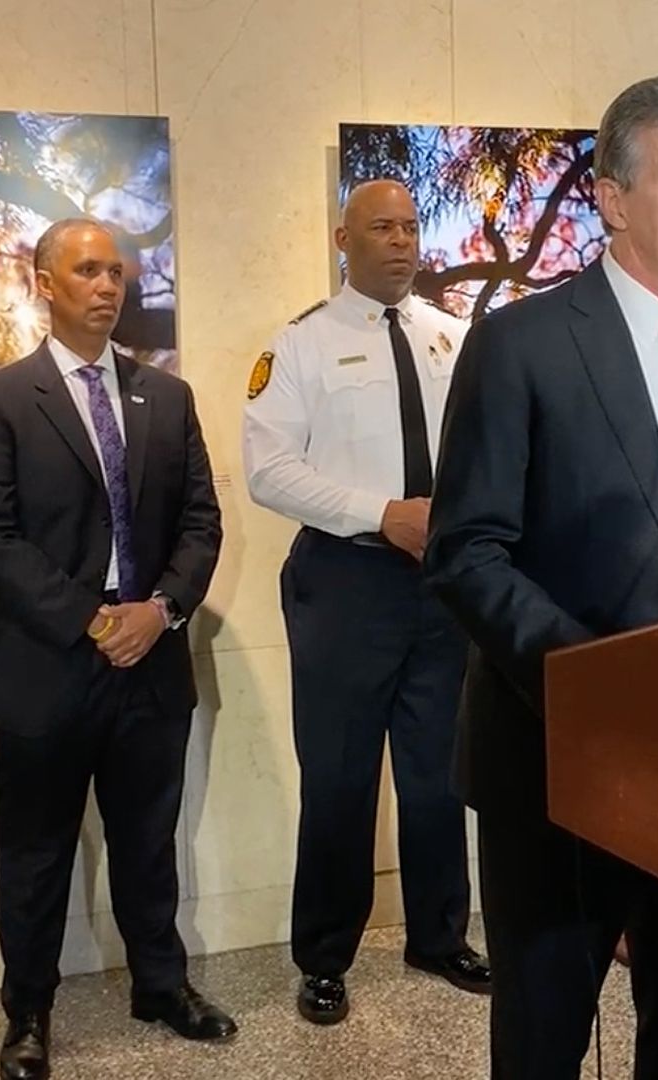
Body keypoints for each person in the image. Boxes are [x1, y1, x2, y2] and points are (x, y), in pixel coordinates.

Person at [425, 73, 658, 1079]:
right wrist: (602, 688)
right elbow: (466, 551)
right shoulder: (521, 344)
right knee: (544, 1042)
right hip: (558, 758)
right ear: (612, 196)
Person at [0, 218, 230, 1080]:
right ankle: (29, 1014)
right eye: (86, 271)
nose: (107, 286)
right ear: (45, 283)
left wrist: (162, 609)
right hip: (47, 662)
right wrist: (92, 620)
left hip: (151, 657)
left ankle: (161, 986)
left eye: (115, 271)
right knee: (34, 854)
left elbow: (201, 521)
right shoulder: (2, 400)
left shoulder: (166, 397)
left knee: (148, 842)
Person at [242, 178, 489, 1026]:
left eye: (411, 226)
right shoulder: (300, 345)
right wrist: (379, 513)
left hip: (441, 584)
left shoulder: (454, 339)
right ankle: (323, 958)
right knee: (341, 778)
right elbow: (269, 471)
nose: (401, 242)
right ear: (342, 240)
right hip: (345, 581)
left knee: (437, 774)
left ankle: (439, 936)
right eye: (381, 227)